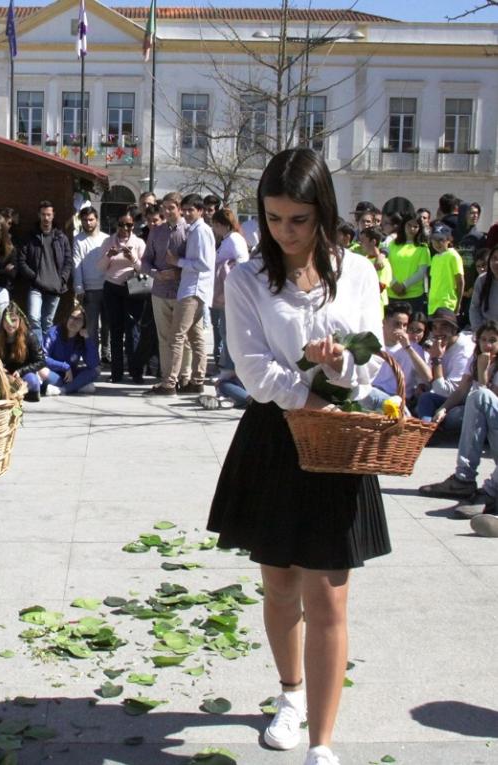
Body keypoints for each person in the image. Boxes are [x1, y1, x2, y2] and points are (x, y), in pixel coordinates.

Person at [208, 148, 387, 765]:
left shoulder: (360, 272)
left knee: (329, 594)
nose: (286, 232)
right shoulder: (246, 278)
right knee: (280, 582)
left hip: (338, 438)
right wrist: (308, 384)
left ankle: (322, 742)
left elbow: (372, 357)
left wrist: (342, 364)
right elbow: (253, 369)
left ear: (323, 213)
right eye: (275, 218)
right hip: (275, 437)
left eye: (299, 220)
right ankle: (290, 698)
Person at [418, 320, 498, 530]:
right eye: (483, 340)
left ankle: (490, 492)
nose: (487, 345)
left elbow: (490, 400)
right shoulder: (476, 360)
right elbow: (460, 390)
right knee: (432, 400)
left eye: (493, 340)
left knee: (479, 396)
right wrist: (443, 408)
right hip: (477, 419)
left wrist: (483, 373)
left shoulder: (486, 365)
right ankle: (463, 479)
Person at [166, 193, 216, 394]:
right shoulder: (195, 230)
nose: (186, 213)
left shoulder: (201, 231)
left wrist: (177, 262)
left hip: (193, 290)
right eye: (184, 209)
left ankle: (169, 382)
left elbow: (204, 264)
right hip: (193, 288)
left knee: (177, 336)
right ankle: (197, 380)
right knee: (195, 337)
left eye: (190, 210)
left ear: (200, 211)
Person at [141, 192, 186, 395]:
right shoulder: (156, 232)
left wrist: (178, 271)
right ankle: (167, 379)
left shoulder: (189, 231)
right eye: (165, 208)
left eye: (171, 208)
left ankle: (184, 378)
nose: (167, 212)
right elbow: (145, 260)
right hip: (159, 291)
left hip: (182, 291)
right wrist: (154, 274)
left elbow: (200, 262)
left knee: (181, 338)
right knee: (164, 337)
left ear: (179, 208)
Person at [98, 211, 146, 383]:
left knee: (133, 330)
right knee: (115, 331)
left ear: (133, 226)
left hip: (132, 288)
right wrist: (109, 256)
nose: (125, 228)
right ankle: (116, 373)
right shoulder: (108, 242)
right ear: (116, 224)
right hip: (112, 288)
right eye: (122, 224)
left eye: (129, 225)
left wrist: (132, 258)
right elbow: (101, 267)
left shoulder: (139, 242)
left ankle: (136, 372)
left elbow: (144, 269)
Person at [18, 200, 72, 344]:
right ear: (39, 215)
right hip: (36, 286)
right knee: (34, 319)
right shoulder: (30, 237)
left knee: (47, 322)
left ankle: (46, 353)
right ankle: (40, 356)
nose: (46, 218)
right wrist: (34, 278)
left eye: (48, 214)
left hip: (55, 287)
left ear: (53, 216)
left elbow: (68, 261)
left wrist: (62, 281)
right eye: (43, 214)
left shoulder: (61, 238)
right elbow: (21, 261)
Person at [413, 307, 476, 431]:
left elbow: (448, 392)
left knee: (453, 418)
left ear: (454, 329)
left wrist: (437, 360)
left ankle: (427, 432)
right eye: (435, 327)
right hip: (444, 398)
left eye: (443, 327)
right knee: (421, 401)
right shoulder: (438, 344)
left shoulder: (464, 350)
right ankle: (427, 431)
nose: (438, 332)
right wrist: (422, 384)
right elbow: (431, 381)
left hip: (463, 402)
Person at [210, 207, 249, 370]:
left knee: (228, 332)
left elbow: (242, 262)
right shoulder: (228, 239)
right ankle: (227, 365)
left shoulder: (233, 239)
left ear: (221, 224)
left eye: (215, 225)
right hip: (226, 292)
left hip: (233, 293)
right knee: (224, 330)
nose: (214, 229)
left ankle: (231, 368)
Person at [39, 304, 99, 395]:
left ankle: (62, 390)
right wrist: (64, 366)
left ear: (83, 324)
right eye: (72, 317)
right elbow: (42, 358)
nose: (74, 321)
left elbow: (93, 363)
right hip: (54, 373)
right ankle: (77, 387)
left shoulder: (81, 339)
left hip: (71, 375)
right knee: (42, 371)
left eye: (78, 319)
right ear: (67, 318)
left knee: (95, 371)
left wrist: (87, 340)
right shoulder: (53, 333)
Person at [72, 206, 108, 358]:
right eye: (85, 220)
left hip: (107, 287)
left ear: (97, 220)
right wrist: (79, 288)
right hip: (89, 289)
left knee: (108, 324)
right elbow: (76, 264)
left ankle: (107, 353)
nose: (88, 223)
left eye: (91, 219)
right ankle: (93, 356)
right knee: (92, 326)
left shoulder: (106, 239)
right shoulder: (78, 240)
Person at [0, 302, 45, 402]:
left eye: (14, 320)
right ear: (2, 321)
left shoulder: (29, 337)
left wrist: (21, 371)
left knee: (33, 381)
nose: (10, 324)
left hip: (23, 374)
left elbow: (41, 361)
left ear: (20, 321)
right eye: (6, 320)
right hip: (3, 375)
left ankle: (27, 394)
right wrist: (0, 370)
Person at [386, 211, 431, 314]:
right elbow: (386, 266)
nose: (412, 229)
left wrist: (404, 285)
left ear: (420, 229)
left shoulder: (422, 248)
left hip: (414, 296)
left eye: (415, 226)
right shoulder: (392, 244)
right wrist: (393, 283)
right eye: (409, 225)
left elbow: (421, 272)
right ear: (403, 225)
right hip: (392, 293)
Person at [427, 222, 464, 315]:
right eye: (434, 239)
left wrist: (458, 304)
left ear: (449, 240)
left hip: (447, 303)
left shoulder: (453, 255)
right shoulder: (434, 258)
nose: (437, 243)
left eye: (441, 239)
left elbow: (460, 281)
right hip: (433, 305)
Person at [469, 244, 498, 331]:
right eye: (494, 258)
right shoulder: (482, 280)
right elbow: (474, 308)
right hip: (486, 332)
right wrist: (479, 331)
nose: (496, 262)